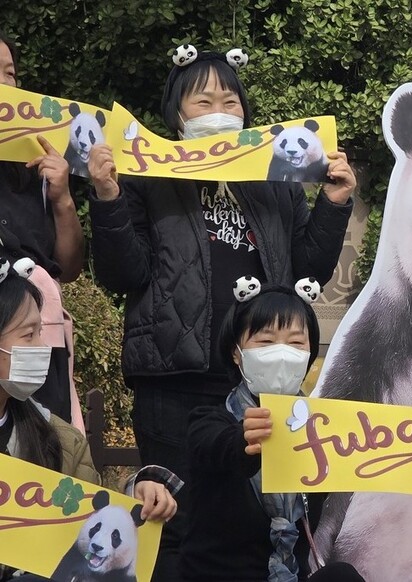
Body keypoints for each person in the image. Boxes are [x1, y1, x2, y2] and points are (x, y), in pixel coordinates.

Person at [85, 46, 356, 581]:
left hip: (258, 383)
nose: (219, 112)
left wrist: (333, 203)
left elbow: (308, 269)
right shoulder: (146, 177)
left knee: (260, 521)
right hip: (174, 382)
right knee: (177, 522)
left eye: (230, 102)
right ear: (177, 114)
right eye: (203, 101)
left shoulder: (275, 182)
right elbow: (123, 274)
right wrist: (108, 195)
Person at [184, 279, 412, 580]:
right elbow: (216, 447)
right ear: (236, 352)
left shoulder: (327, 425)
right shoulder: (208, 420)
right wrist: (245, 439)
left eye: (295, 343)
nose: (282, 354)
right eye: (265, 342)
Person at [0, 264, 180, 582]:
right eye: (28, 335)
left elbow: (89, 520)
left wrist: (137, 496)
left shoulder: (61, 441)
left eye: (41, 332)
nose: (43, 347)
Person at [0, 32, 85, 429]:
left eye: (10, 73)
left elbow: (68, 267)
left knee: (43, 446)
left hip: (36, 344)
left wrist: (62, 197)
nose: (4, 83)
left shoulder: (35, 163)